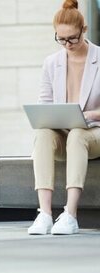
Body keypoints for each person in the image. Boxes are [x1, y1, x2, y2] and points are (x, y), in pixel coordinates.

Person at [28, 0, 100, 235]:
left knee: (78, 134)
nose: (67, 44)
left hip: (93, 133)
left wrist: (86, 115)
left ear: (84, 31)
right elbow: (45, 104)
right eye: (61, 39)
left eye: (72, 38)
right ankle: (45, 214)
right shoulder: (52, 63)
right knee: (42, 133)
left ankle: (70, 214)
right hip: (64, 133)